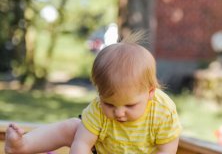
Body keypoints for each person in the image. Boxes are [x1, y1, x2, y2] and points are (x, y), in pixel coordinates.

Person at [4, 31, 182, 154]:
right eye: (109, 104)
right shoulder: (97, 108)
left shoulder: (162, 111)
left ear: (150, 92)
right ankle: (22, 145)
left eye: (130, 105)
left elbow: (167, 149)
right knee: (73, 127)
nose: (119, 112)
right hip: (103, 150)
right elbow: (82, 144)